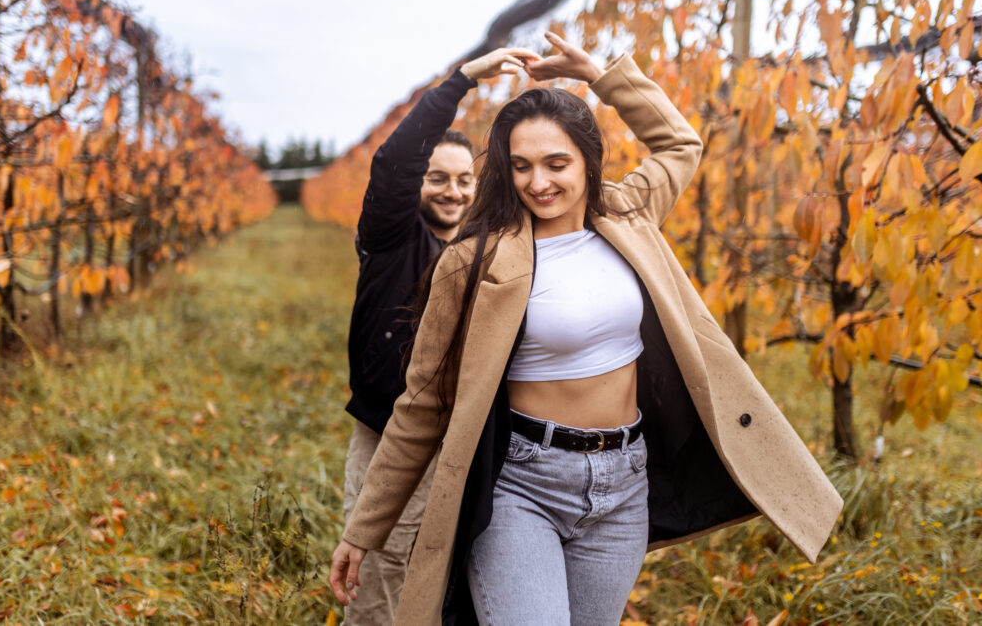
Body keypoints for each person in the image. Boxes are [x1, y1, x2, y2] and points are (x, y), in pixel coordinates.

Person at [331, 33, 843, 625]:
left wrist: (600, 75)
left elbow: (679, 142)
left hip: (623, 484)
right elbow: (421, 405)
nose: (538, 182)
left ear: (588, 160)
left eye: (557, 163)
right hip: (522, 485)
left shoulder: (627, 214)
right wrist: (364, 530)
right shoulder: (473, 261)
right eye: (520, 166)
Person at [341, 45, 540, 626]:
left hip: (460, 438)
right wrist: (458, 83)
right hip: (388, 433)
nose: (453, 191)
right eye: (437, 179)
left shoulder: (485, 251)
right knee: (380, 570)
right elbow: (392, 162)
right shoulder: (392, 238)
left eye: (463, 180)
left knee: (437, 570)